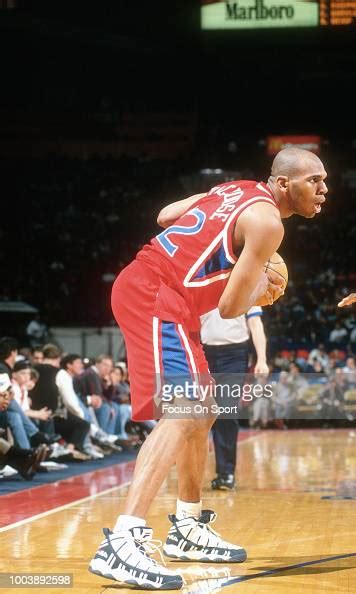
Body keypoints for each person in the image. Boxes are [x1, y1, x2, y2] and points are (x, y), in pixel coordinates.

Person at [89, 147, 328, 589]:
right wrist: (261, 287)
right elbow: (231, 304)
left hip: (168, 300)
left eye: (324, 180)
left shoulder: (232, 191)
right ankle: (123, 541)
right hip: (155, 294)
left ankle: (187, 526)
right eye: (313, 180)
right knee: (182, 413)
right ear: (282, 183)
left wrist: (218, 217)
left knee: (203, 410)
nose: (324, 190)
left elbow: (164, 216)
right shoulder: (268, 222)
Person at [200, 306, 269, 491]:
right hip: (203, 352)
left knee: (226, 413)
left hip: (234, 354)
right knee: (199, 415)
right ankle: (193, 473)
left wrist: (261, 359)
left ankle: (225, 474)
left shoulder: (246, 284)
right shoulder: (198, 281)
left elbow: (255, 323)